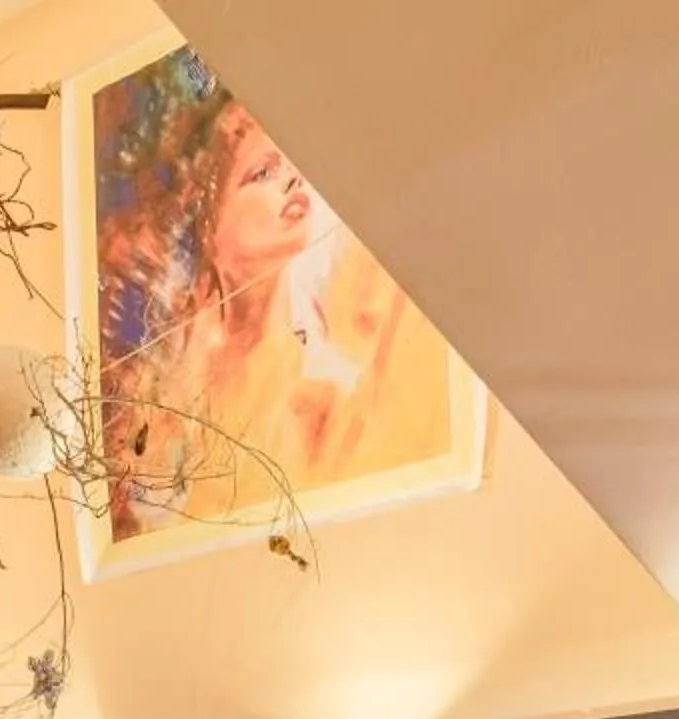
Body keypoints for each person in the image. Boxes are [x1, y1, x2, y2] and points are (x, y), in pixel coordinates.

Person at [94, 55, 456, 535]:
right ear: (207, 219)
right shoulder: (157, 386)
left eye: (292, 162)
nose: (292, 179)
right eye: (262, 172)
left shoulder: (320, 390)